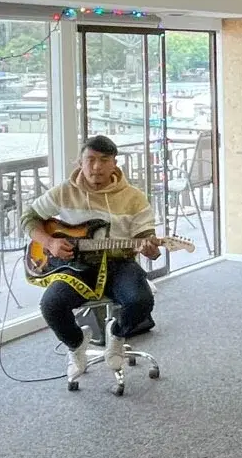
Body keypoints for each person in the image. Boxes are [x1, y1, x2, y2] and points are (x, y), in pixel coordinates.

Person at [22, 135, 160, 381]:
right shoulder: (64, 191)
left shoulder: (134, 197)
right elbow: (29, 218)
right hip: (75, 266)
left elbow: (145, 234)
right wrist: (50, 242)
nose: (96, 167)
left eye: (104, 160)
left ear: (115, 163)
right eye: (91, 160)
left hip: (119, 264)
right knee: (51, 306)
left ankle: (116, 336)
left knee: (141, 302)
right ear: (80, 162)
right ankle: (76, 345)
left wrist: (150, 247)